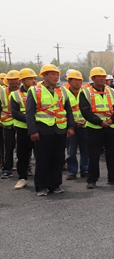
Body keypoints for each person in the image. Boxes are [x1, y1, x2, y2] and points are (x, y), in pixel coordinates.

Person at [25, 64, 76, 196]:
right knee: (43, 159)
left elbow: (68, 110)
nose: (56, 77)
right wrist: (33, 131)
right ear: (44, 76)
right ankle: (41, 186)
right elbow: (29, 113)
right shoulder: (35, 90)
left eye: (57, 74)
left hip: (60, 129)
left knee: (58, 159)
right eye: (52, 74)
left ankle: (55, 185)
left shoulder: (63, 90)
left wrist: (71, 126)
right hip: (43, 130)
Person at [79, 67, 114, 189]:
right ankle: (92, 179)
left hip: (111, 127)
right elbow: (85, 111)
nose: (102, 79)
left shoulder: (111, 91)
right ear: (93, 78)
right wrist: (100, 122)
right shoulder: (85, 92)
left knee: (112, 154)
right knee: (94, 155)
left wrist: (112, 120)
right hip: (94, 128)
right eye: (99, 77)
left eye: (104, 77)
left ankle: (113, 177)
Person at [10, 68, 38, 190]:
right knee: (23, 155)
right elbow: (15, 113)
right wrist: (30, 119)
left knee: (40, 154)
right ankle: (22, 178)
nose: (33, 81)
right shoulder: (15, 94)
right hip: (23, 129)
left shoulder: (39, 92)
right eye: (30, 79)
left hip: (38, 128)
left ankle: (41, 178)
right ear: (23, 80)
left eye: (34, 78)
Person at [63, 70, 89, 180]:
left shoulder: (86, 92)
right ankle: (72, 171)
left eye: (80, 80)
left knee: (85, 150)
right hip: (71, 126)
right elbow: (62, 111)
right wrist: (72, 123)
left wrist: (85, 121)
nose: (78, 82)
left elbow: (91, 109)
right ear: (69, 81)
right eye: (75, 80)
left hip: (85, 125)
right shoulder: (64, 93)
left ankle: (85, 170)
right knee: (71, 150)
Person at [1, 70, 20, 179]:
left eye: (15, 79)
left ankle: (25, 167)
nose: (13, 82)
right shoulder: (2, 92)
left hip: (21, 123)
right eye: (10, 80)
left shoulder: (25, 92)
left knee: (22, 147)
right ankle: (7, 169)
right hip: (7, 123)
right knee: (8, 147)